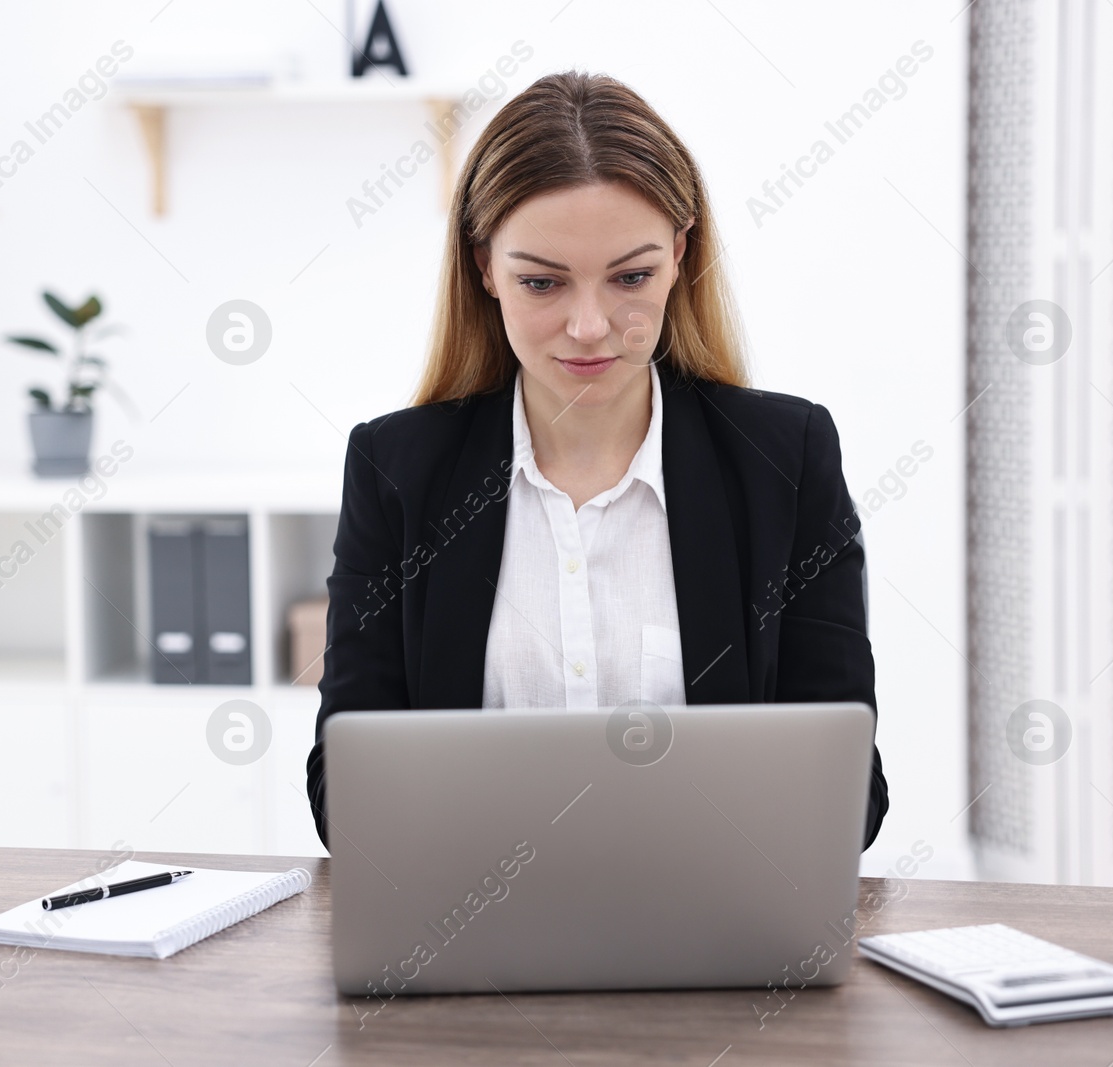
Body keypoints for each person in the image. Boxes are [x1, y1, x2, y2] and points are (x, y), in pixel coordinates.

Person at [305, 70, 888, 852]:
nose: (589, 326)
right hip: (469, 943)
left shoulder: (786, 457)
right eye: (542, 282)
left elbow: (851, 799)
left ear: (681, 253)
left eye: (631, 277)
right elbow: (345, 794)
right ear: (484, 268)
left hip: (718, 946)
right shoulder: (394, 469)